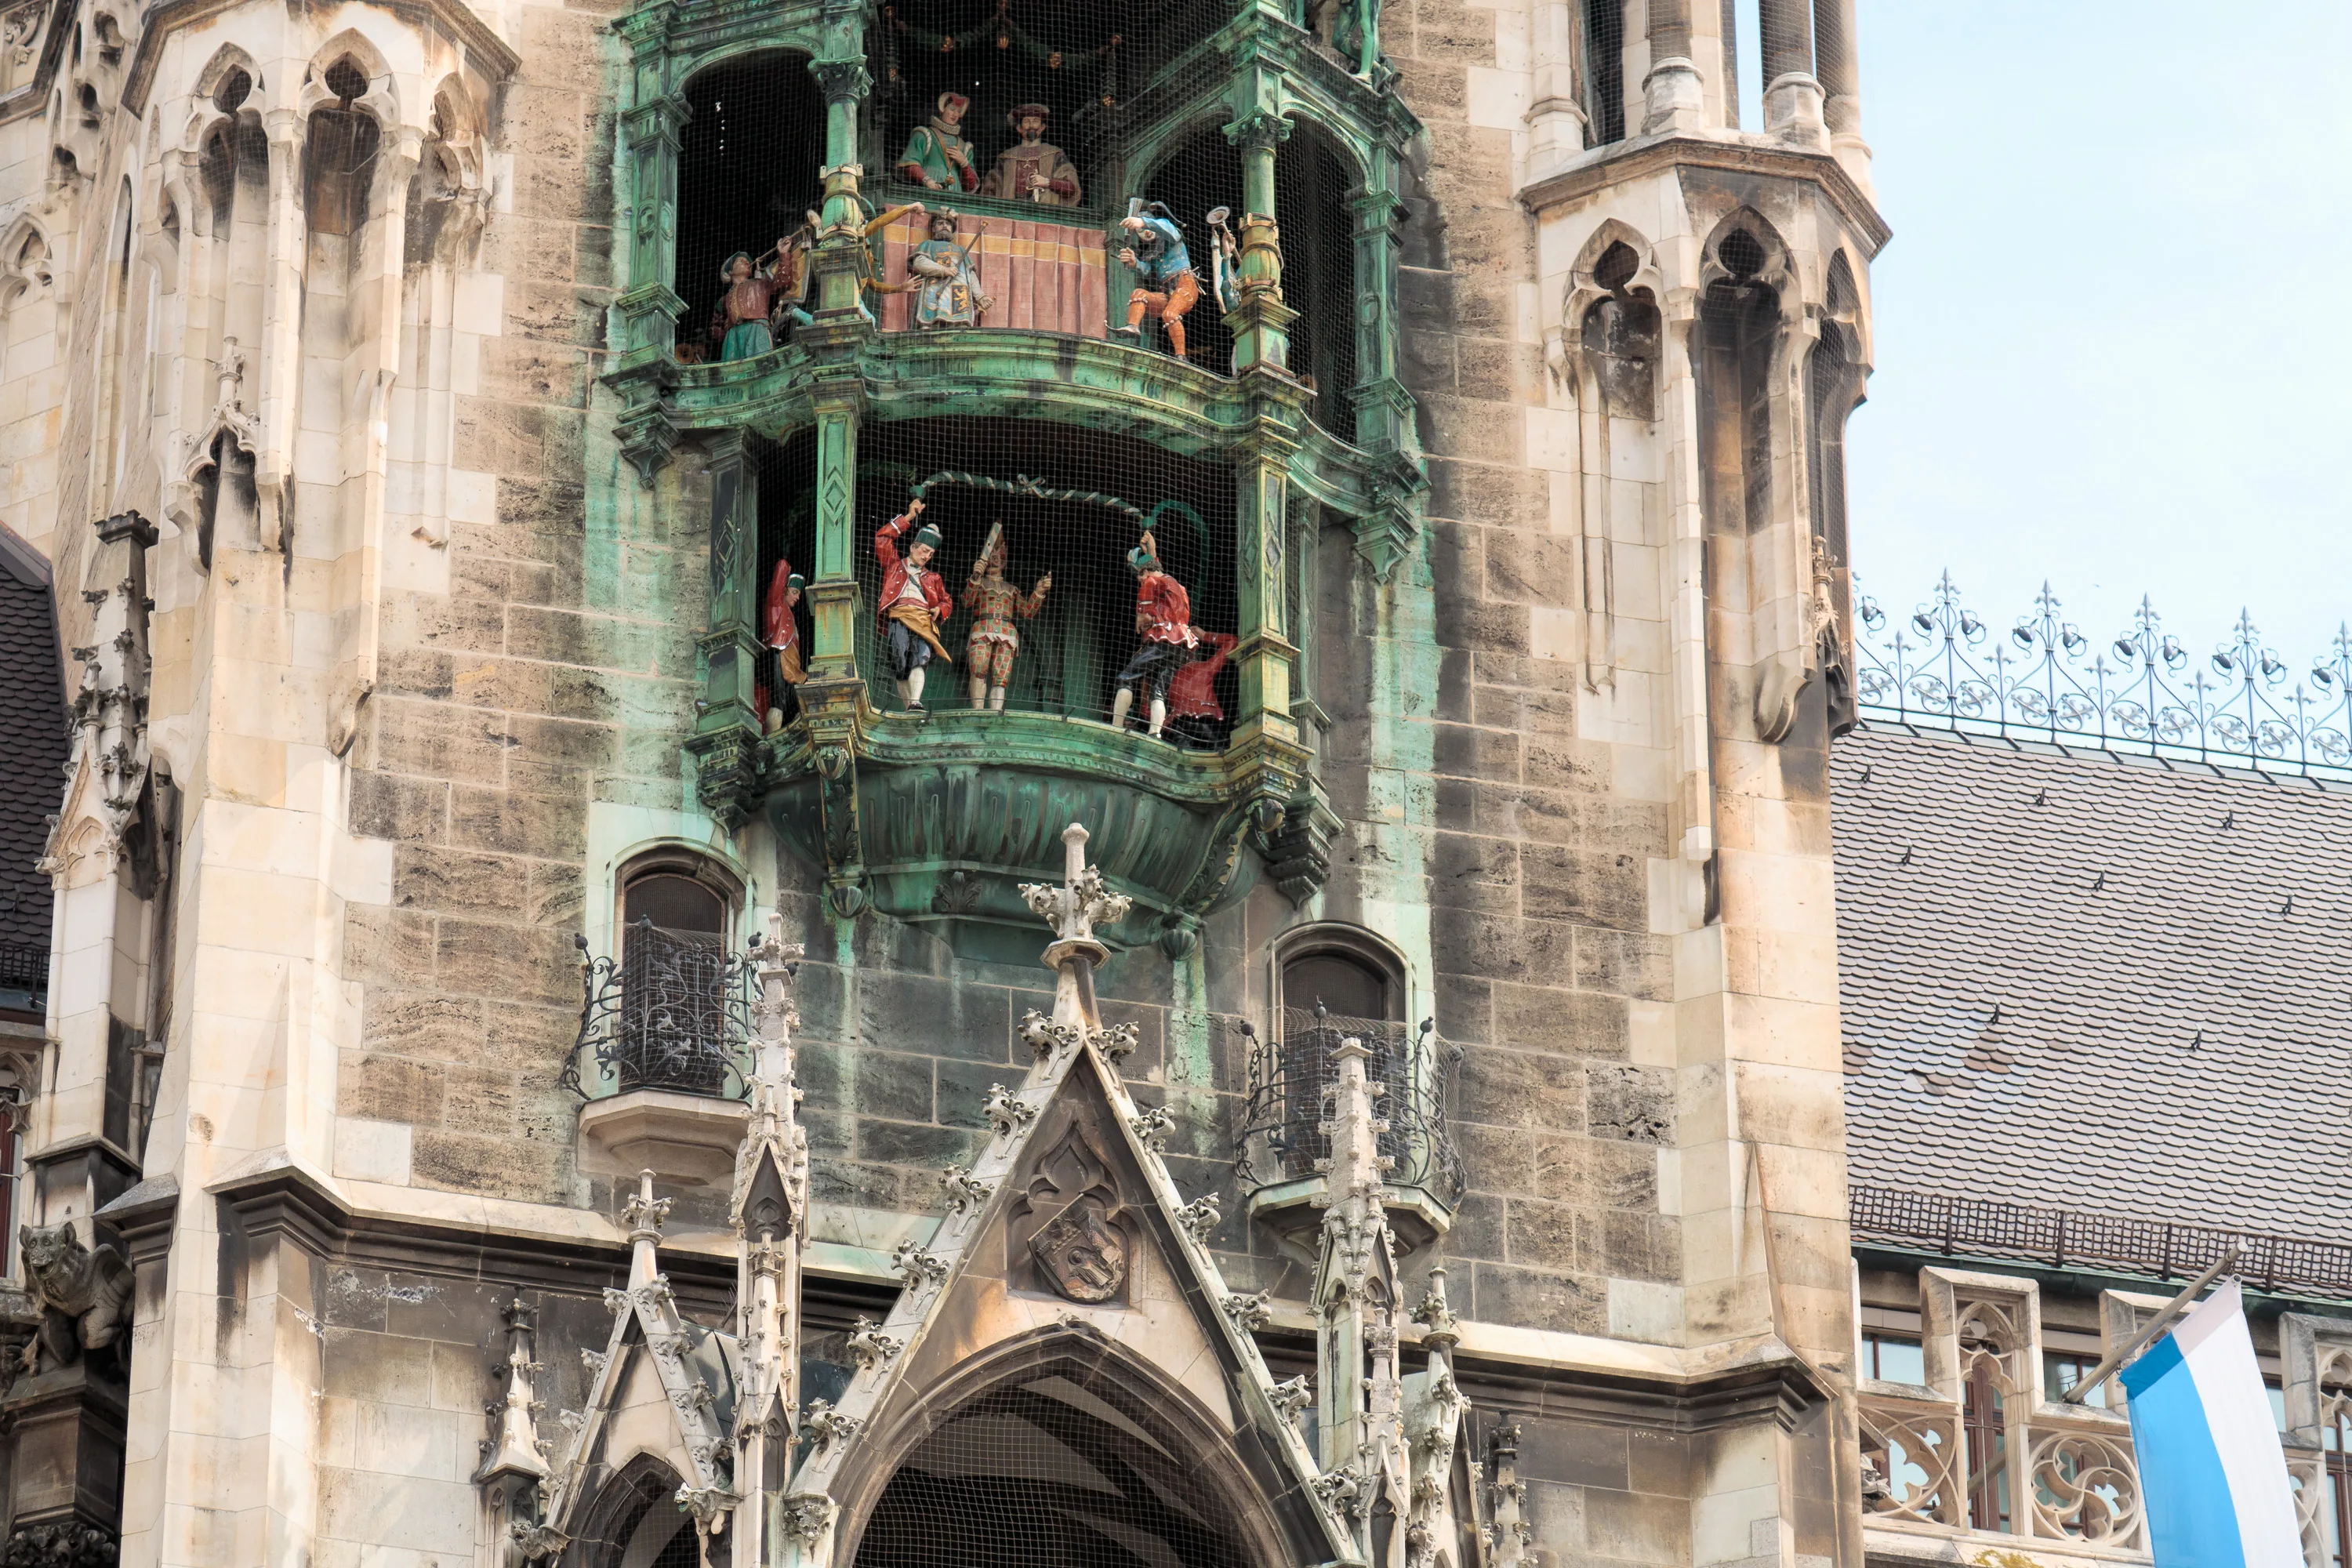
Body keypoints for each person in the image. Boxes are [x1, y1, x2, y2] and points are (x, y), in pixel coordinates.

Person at [1109, 529, 1198, 739]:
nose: (1139, 580)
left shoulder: (1150, 582)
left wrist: (1141, 616)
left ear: (1146, 573)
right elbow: (1156, 572)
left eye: (1139, 575)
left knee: (1125, 678)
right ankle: (1155, 732)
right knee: (1158, 689)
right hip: (1181, 645)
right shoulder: (1175, 584)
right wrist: (1152, 551)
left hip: (1162, 640)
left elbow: (1147, 609)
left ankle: (1116, 726)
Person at [873, 498, 954, 713]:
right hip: (899, 616)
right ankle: (908, 705)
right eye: (924, 551)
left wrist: (940, 609)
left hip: (922, 619)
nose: (926, 556)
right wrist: (909, 517)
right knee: (899, 661)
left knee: (920, 658)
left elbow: (946, 600)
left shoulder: (933, 578)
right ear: (913, 547)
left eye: (930, 554)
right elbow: (882, 538)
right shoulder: (894, 566)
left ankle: (915, 701)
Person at [960, 524, 1051, 710]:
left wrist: (1039, 592)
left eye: (1000, 556)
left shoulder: (1011, 589)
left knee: (1001, 676)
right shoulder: (979, 583)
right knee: (978, 669)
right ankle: (977, 710)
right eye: (992, 556)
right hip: (983, 627)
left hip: (1006, 632)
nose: (996, 559)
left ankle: (995, 711)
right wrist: (975, 578)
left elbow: (1027, 611)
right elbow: (967, 601)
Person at [1112, 201, 1199, 361]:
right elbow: (1147, 270)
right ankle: (1133, 326)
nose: (1145, 232)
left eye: (1147, 228)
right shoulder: (1152, 254)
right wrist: (1134, 262)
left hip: (1185, 284)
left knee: (1170, 313)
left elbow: (1167, 228)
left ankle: (1181, 356)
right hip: (1168, 291)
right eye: (1140, 231)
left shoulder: (1171, 237)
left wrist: (1143, 222)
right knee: (1139, 294)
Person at [908, 209, 993, 328]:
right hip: (935, 291)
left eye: (948, 224)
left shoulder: (961, 250)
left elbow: (970, 274)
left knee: (960, 328)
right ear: (933, 228)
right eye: (940, 223)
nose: (944, 226)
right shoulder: (928, 244)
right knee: (930, 326)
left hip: (958, 295)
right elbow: (919, 263)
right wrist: (944, 270)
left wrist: (980, 296)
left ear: (952, 229)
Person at [982, 103, 1081, 205]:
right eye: (1026, 121)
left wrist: (1048, 182)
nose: (1031, 126)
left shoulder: (1055, 153)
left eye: (1035, 121)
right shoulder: (1006, 157)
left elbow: (1071, 188)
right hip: (1010, 209)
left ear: (1042, 127)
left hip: (1044, 210)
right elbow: (989, 190)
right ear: (1019, 128)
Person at [1163, 630, 1236, 749]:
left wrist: (1159, 723)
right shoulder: (1205, 668)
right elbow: (1232, 641)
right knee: (1217, 751)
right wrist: (1205, 635)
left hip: (1179, 725)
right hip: (1204, 721)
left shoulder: (1167, 675)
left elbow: (1148, 706)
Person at [898, 92, 979, 192]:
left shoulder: (964, 147)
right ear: (942, 108)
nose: (955, 114)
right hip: (928, 191)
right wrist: (927, 180)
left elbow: (970, 187)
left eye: (959, 111)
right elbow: (908, 164)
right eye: (952, 109)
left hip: (955, 193)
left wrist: (964, 163)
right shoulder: (924, 135)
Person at [761, 558, 807, 732]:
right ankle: (773, 735)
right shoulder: (776, 604)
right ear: (784, 590)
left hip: (792, 664)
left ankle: (793, 729)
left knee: (798, 699)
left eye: (798, 594)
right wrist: (786, 562)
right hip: (779, 655)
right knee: (778, 701)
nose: (797, 597)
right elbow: (780, 570)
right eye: (794, 592)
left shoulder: (789, 614)